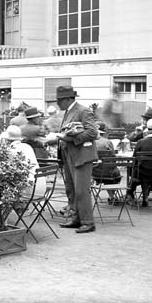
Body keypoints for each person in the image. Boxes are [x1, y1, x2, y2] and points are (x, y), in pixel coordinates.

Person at [53, 85, 98, 233]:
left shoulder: (83, 111)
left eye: (59, 100)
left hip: (81, 156)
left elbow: (92, 133)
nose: (57, 103)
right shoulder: (68, 111)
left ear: (67, 99)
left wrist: (71, 139)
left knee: (81, 191)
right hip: (70, 155)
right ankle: (77, 218)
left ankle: (87, 222)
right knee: (71, 189)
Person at [2, 125, 45, 201]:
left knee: (1, 181)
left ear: (6, 140)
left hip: (27, 192)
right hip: (41, 189)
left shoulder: (11, 151)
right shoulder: (27, 146)